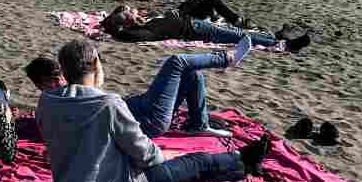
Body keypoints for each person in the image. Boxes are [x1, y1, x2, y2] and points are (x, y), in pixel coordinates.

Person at [35, 40, 272, 182]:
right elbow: (145, 153)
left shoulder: (46, 103)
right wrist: (164, 156)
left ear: (64, 72)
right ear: (96, 64)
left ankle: (240, 165)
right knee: (197, 162)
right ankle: (241, 158)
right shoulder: (107, 103)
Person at [25, 44, 250, 139]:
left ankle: (198, 125)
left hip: (138, 109)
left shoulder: (62, 94)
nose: (60, 79)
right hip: (148, 119)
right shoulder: (62, 96)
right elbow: (97, 82)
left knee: (192, 75)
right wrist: (94, 59)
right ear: (48, 82)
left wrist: (94, 61)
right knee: (177, 62)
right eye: (56, 77)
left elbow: (98, 81)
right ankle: (226, 58)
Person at [100, 2, 311, 52]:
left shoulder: (147, 20)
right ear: (124, 20)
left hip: (196, 23)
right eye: (128, 11)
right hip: (197, 30)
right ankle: (282, 43)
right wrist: (114, 28)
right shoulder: (144, 30)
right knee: (239, 36)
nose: (133, 10)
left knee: (239, 33)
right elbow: (131, 37)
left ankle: (278, 39)